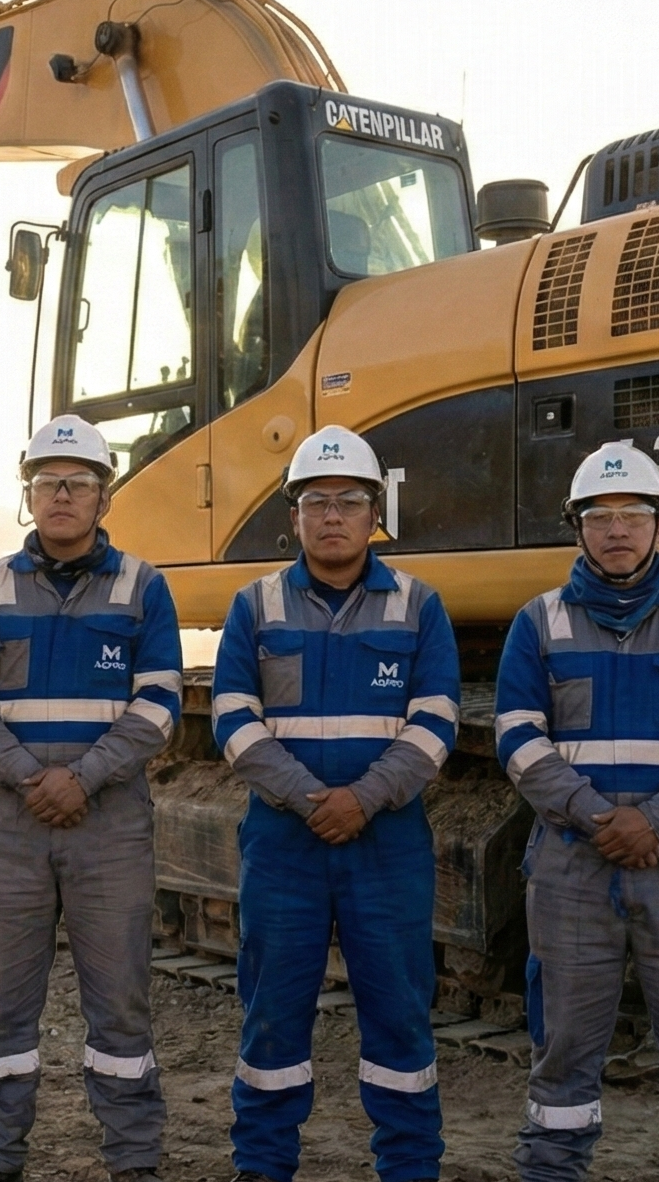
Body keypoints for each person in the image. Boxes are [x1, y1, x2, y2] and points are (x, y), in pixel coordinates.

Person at [497, 440, 659, 1182]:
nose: (616, 529)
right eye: (599, 515)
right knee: (563, 1051)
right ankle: (551, 1170)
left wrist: (656, 819)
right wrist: (594, 817)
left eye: (633, 515)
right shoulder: (537, 622)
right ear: (575, 527)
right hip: (571, 863)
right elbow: (517, 737)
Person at [210, 425, 455, 1182]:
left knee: (398, 1012)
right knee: (272, 1011)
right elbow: (232, 719)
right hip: (285, 845)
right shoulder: (254, 606)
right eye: (315, 500)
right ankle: (262, 1165)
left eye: (349, 500)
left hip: (384, 844)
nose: (332, 515)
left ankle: (408, 1167)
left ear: (374, 511)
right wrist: (313, 798)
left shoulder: (418, 606)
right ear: (294, 516)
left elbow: (436, 719)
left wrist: (364, 799)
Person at [0, 415, 180, 1182]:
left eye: (78, 483)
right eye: (47, 483)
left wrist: (81, 777)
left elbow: (157, 707)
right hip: (13, 827)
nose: (62, 496)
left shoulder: (142, 588)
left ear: (104, 497)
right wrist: (28, 778)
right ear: (28, 494)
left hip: (106, 825)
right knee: (3, 1009)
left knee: (119, 1007)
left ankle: (133, 1163)